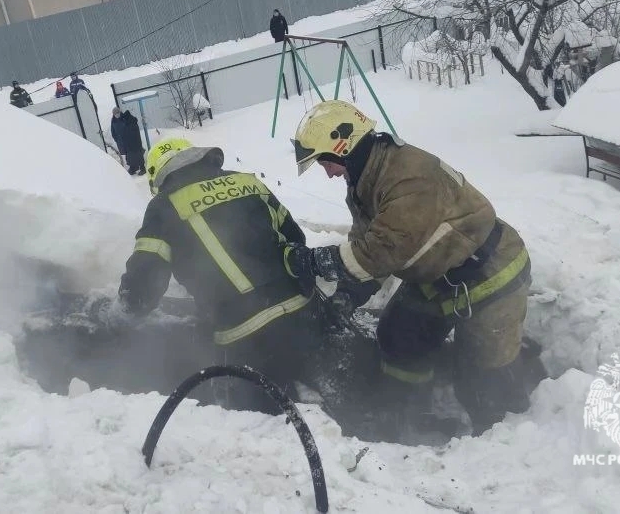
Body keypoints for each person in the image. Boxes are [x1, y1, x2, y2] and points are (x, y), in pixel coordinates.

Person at [286, 99, 535, 440]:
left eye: (326, 161)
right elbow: (367, 242)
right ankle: (407, 411)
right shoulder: (366, 180)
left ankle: (506, 442)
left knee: (483, 378)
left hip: (490, 274)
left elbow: (383, 249)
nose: (328, 172)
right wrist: (348, 294)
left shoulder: (408, 176)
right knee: (399, 336)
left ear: (344, 147)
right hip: (438, 275)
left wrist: (317, 261)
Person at [97, 137, 331, 415]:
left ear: (156, 176)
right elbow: (295, 237)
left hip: (248, 336)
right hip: (306, 312)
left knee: (264, 424)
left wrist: (118, 318)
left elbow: (145, 283)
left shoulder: (164, 205)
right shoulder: (247, 182)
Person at [110, 107, 146, 176]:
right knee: (129, 155)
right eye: (115, 114)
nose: (117, 115)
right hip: (123, 142)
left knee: (137, 153)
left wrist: (131, 136)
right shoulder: (113, 121)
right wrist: (116, 139)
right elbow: (113, 131)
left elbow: (132, 128)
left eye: (118, 113)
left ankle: (142, 168)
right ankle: (133, 168)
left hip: (132, 140)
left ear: (120, 112)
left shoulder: (126, 118)